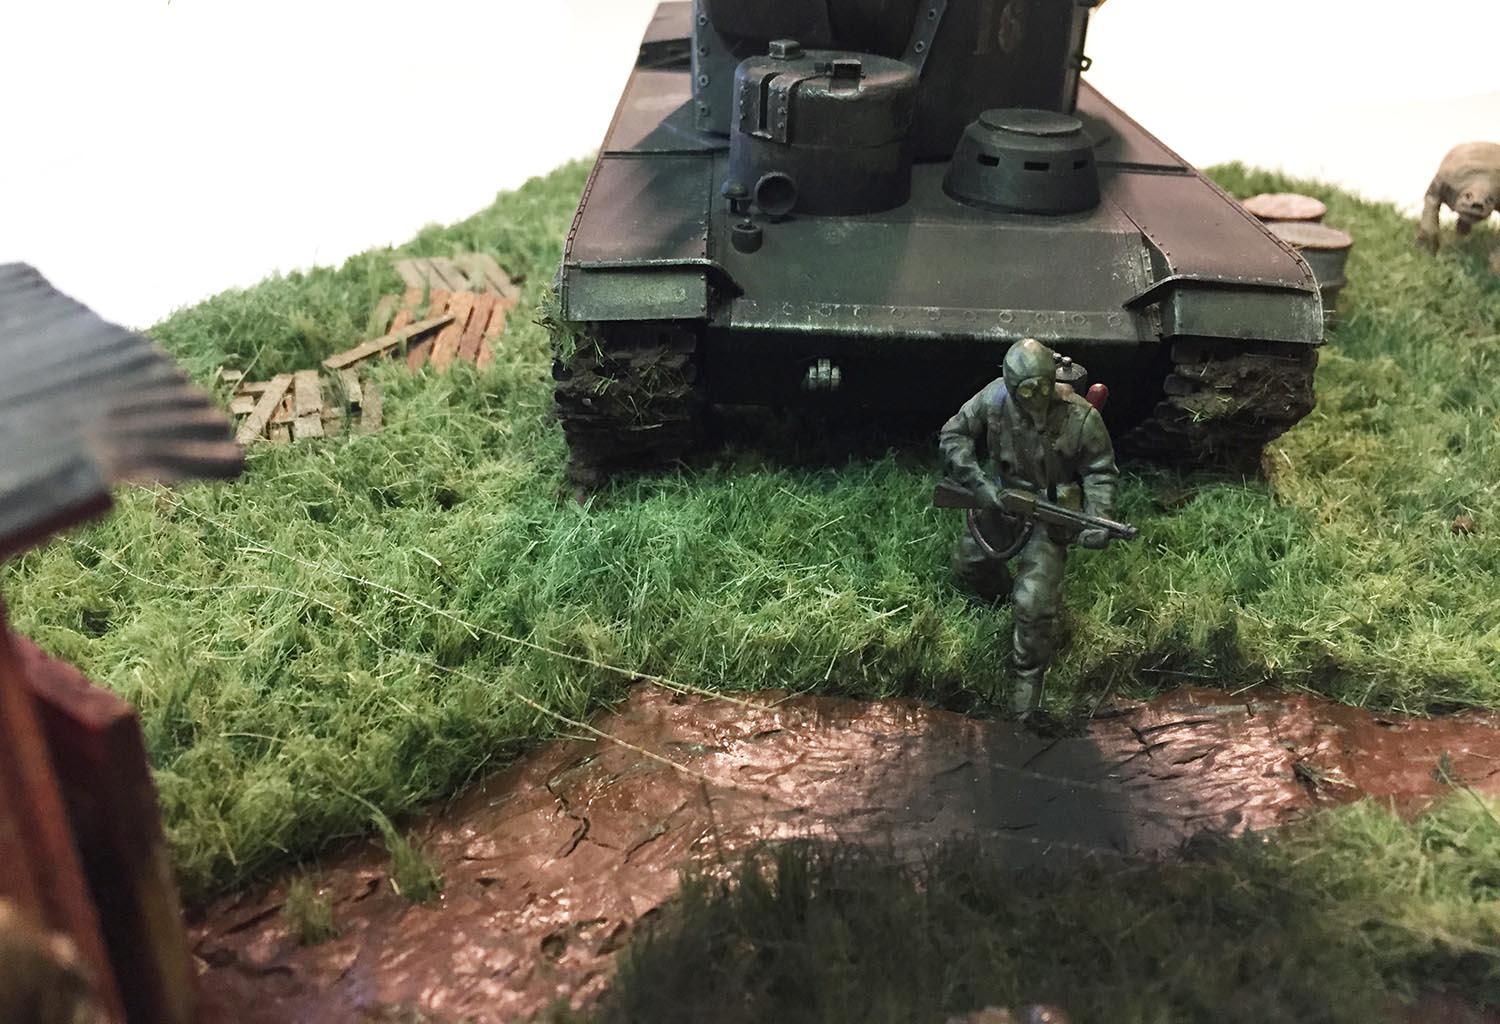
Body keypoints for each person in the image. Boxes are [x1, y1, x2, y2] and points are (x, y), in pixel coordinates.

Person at [938, 338, 1120, 713]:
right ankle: (1003, 600)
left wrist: (1099, 516)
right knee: (969, 564)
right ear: (1009, 384)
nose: (1036, 397)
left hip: (1049, 511)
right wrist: (978, 484)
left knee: (1034, 601)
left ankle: (1028, 675)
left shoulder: (1081, 416)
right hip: (1002, 501)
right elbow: (954, 434)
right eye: (1026, 390)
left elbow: (1100, 471)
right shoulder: (993, 399)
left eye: (1042, 387)